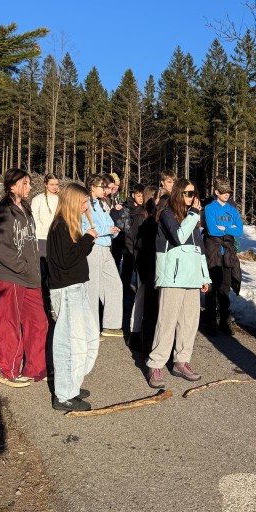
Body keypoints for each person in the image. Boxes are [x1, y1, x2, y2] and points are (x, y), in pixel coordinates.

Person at [146, 178, 210, 389]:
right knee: (166, 322)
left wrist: (205, 276)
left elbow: (199, 249)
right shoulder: (167, 213)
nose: (192, 197)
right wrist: (194, 214)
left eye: (194, 193)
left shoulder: (193, 217)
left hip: (192, 277)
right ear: (178, 194)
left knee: (189, 322)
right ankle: (155, 364)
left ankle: (182, 361)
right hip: (172, 277)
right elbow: (179, 237)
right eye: (188, 193)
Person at [0, 168, 48, 388]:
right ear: (11, 186)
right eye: (24, 183)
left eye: (29, 183)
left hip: (31, 276)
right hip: (11, 276)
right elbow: (1, 248)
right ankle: (8, 371)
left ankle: (35, 368)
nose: (29, 187)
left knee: (39, 322)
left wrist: (33, 268)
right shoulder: (3, 211)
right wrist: (22, 267)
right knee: (9, 323)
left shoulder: (26, 208)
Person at [46, 183, 100, 412]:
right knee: (71, 344)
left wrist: (86, 239)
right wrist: (87, 239)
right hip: (67, 291)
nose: (86, 207)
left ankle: (72, 384)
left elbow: (74, 256)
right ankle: (64, 394)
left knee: (89, 337)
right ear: (73, 202)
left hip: (76, 288)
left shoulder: (69, 225)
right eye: (83, 202)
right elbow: (66, 260)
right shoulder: (60, 226)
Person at [82, 174, 123, 337]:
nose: (105, 189)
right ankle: (91, 329)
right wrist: (107, 230)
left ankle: (111, 324)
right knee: (92, 289)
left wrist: (113, 231)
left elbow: (109, 223)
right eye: (102, 186)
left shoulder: (102, 204)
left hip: (106, 247)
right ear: (92, 187)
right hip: (94, 247)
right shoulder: (85, 203)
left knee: (115, 284)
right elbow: (86, 227)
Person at [203, 176, 243, 336]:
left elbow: (239, 230)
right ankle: (210, 322)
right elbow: (212, 229)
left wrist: (223, 228)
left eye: (229, 192)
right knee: (211, 288)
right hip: (212, 253)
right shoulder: (209, 208)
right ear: (216, 192)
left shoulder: (232, 209)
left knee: (225, 288)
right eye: (223, 192)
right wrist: (229, 227)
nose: (227, 195)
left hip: (227, 254)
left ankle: (225, 322)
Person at [128, 184, 156, 352]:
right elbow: (135, 240)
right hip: (143, 263)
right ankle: (135, 332)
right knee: (141, 299)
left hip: (151, 263)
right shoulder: (141, 216)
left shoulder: (154, 216)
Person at [30, 173, 60, 259]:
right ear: (45, 184)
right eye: (52, 184)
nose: (55, 187)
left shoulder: (60, 199)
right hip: (42, 238)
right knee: (43, 264)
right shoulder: (37, 199)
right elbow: (33, 220)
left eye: (57, 184)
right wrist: (35, 240)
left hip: (57, 238)